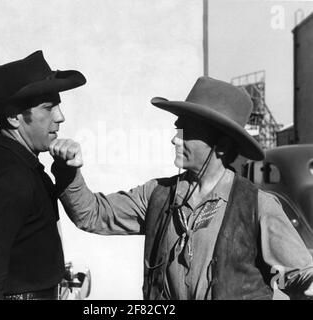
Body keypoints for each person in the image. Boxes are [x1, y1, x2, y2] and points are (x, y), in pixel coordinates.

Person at [51, 76, 313, 300]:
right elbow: (92, 215)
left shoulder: (258, 205)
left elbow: (300, 273)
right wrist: (68, 170)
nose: (175, 138)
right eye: (178, 129)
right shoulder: (157, 195)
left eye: (186, 131)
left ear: (220, 146)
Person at [0, 50, 86, 299]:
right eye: (48, 107)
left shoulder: (23, 169)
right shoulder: (10, 178)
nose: (60, 117)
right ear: (13, 117)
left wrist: (64, 170)